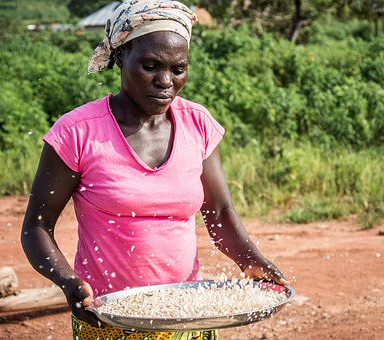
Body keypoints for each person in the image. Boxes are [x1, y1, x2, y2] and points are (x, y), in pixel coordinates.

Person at [21, 1, 288, 339]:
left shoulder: (197, 124)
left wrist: (252, 260)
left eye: (178, 69)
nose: (165, 81)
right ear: (120, 56)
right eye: (150, 66)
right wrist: (68, 281)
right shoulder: (78, 132)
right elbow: (37, 227)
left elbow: (219, 212)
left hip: (186, 315)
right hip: (109, 316)